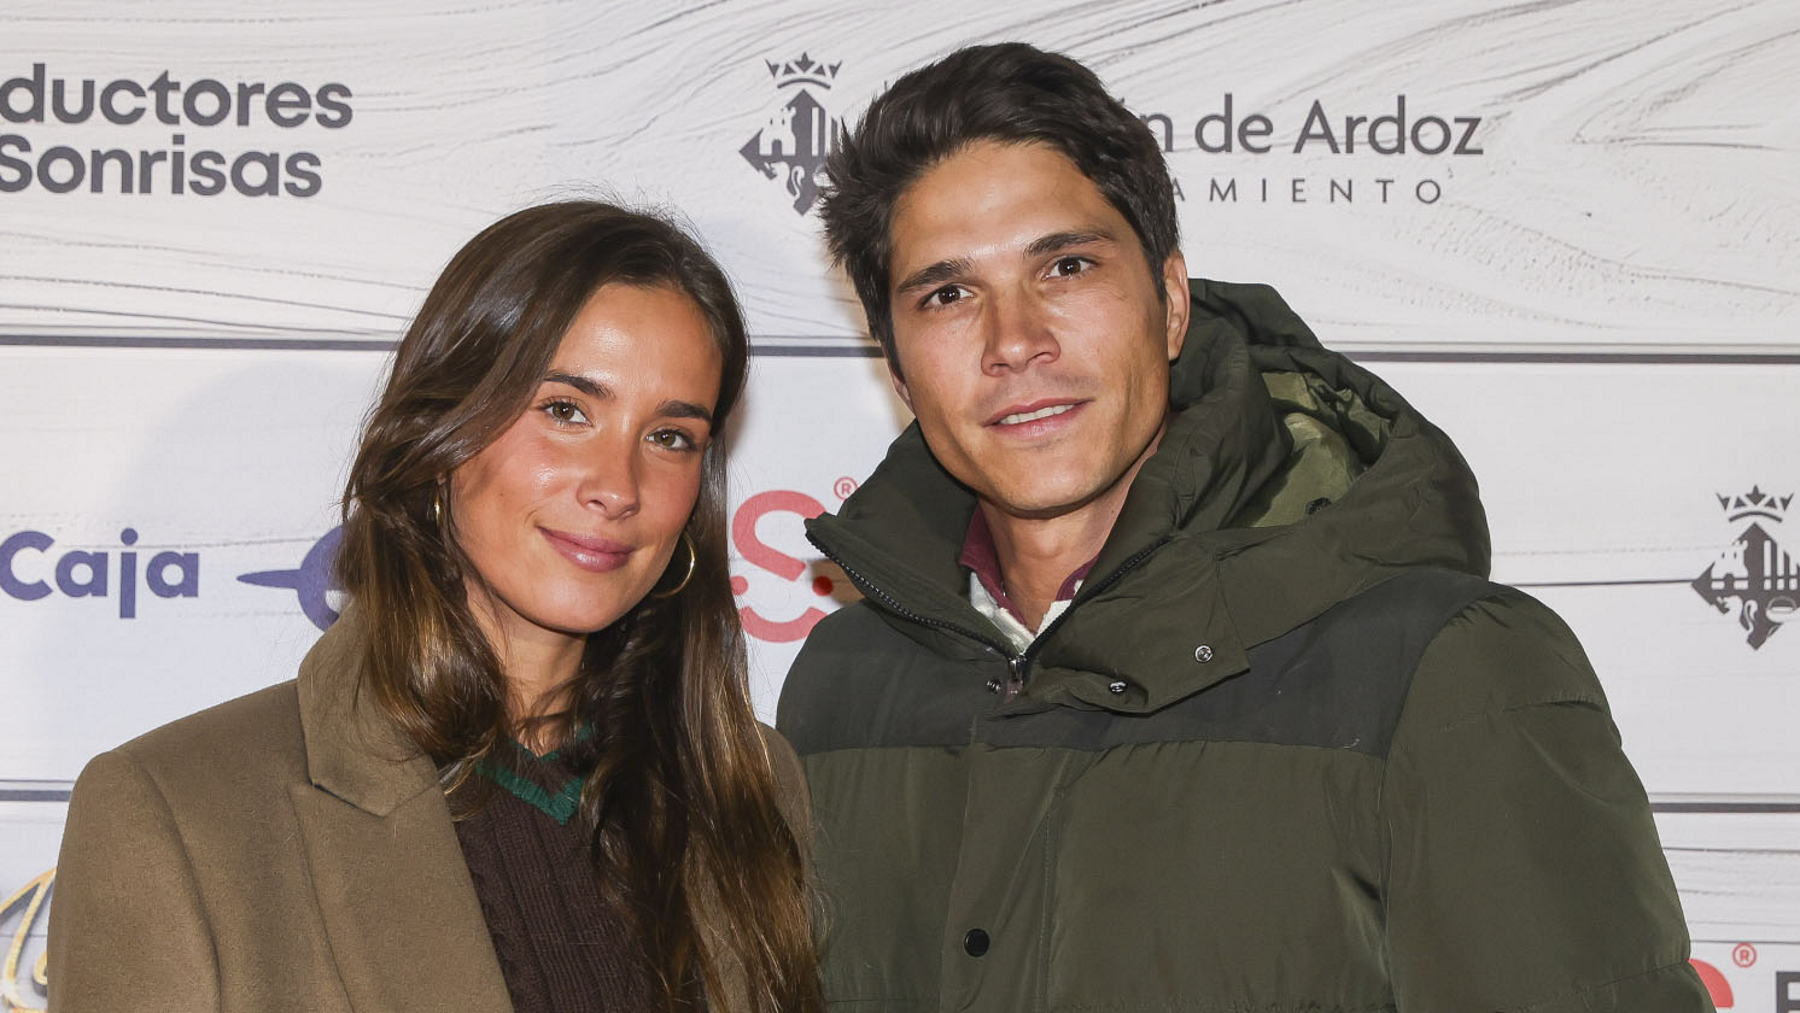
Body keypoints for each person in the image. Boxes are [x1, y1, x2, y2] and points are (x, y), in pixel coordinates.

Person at [777, 43, 1712, 1011]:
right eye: (948, 292)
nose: (1015, 339)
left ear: (1172, 304)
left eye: (1065, 265)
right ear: (897, 368)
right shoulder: (840, 688)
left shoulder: (1443, 670)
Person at [48, 201, 821, 1013]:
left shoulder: (753, 789)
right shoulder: (178, 812)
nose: (619, 487)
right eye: (566, 411)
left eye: (671, 436)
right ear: (440, 433)